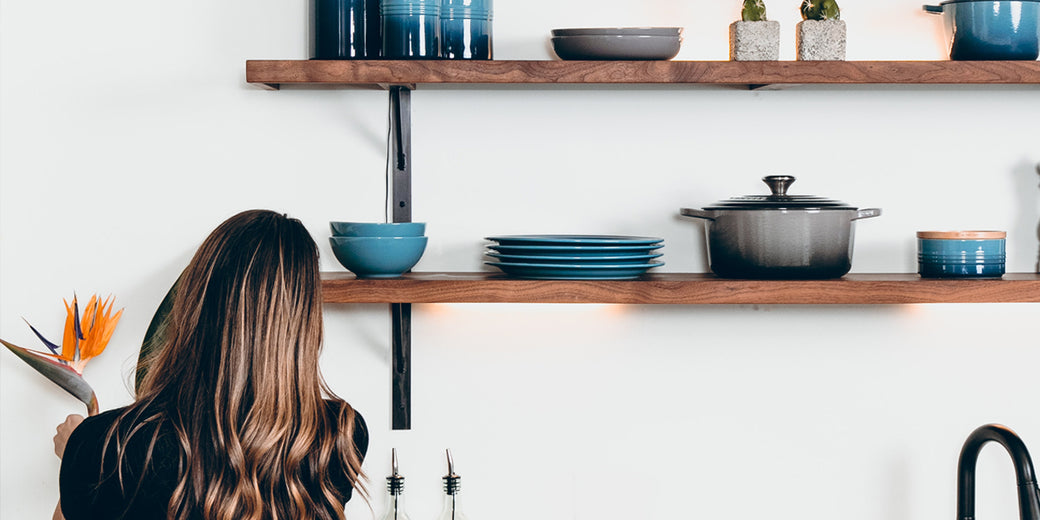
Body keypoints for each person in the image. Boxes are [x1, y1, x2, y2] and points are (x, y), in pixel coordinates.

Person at [53, 209, 369, 520]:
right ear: (305, 323)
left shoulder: (105, 446)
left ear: (192, 303)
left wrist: (78, 454)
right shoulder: (339, 436)